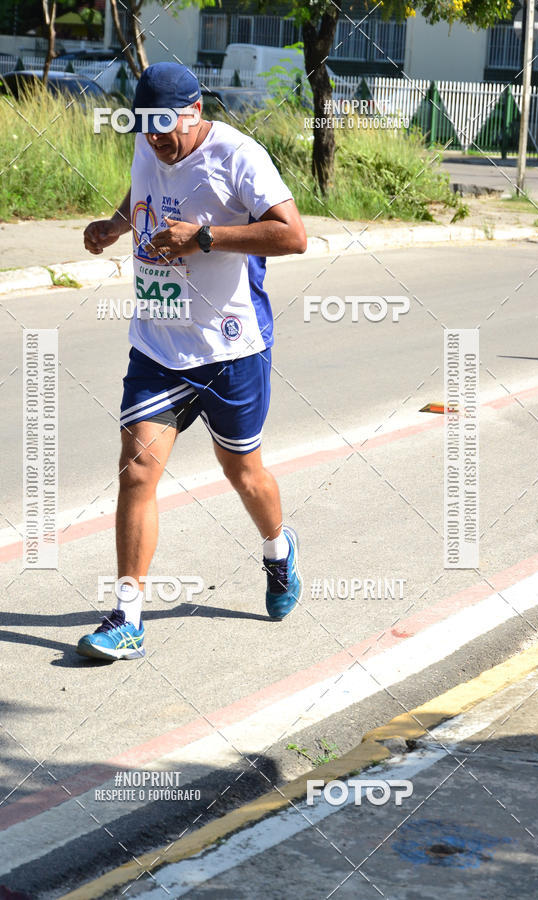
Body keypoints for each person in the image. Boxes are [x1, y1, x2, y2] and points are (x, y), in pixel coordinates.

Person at [77, 62, 307, 661]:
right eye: (145, 127)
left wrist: (203, 237)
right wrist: (115, 223)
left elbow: (293, 236)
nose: (155, 139)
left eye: (165, 128)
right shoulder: (148, 141)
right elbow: (144, 190)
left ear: (196, 112)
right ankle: (127, 617)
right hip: (158, 345)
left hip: (231, 348)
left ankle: (278, 551)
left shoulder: (239, 157)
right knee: (136, 472)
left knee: (243, 472)